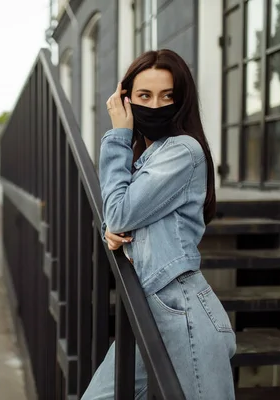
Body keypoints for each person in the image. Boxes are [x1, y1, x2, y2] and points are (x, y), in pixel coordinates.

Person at [81, 50, 237, 400]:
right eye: (144, 96)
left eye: (167, 96)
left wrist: (118, 135)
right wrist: (113, 228)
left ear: (181, 102)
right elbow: (118, 215)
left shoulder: (183, 151)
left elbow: (120, 213)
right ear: (126, 99)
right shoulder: (145, 160)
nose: (155, 106)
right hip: (149, 311)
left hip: (182, 311)